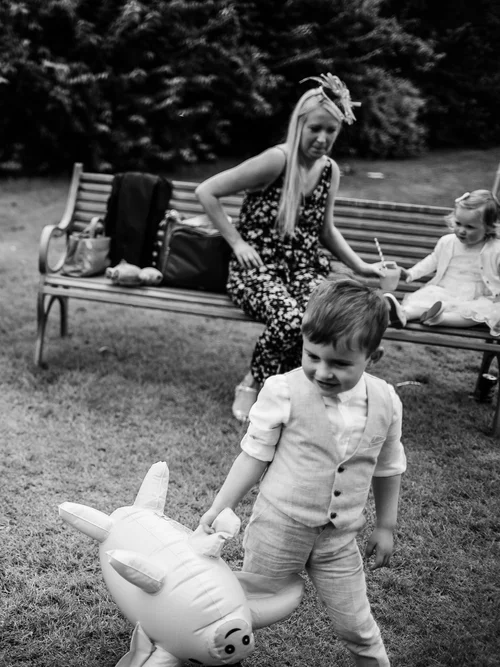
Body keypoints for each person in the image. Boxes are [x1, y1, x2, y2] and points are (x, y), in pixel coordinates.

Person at [199, 279, 405, 667]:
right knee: (241, 611)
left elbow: (389, 466)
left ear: (372, 357)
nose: (322, 371)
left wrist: (386, 526)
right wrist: (219, 506)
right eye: (312, 356)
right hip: (278, 528)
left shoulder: (387, 401)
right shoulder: (282, 390)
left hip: (339, 540)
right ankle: (203, 652)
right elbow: (254, 456)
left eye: (340, 363)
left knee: (357, 625)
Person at [195, 74, 384, 422]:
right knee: (289, 319)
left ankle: (296, 391)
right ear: (299, 125)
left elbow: (325, 230)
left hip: (302, 269)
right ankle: (255, 383)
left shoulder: (330, 171)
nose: (322, 138)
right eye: (315, 128)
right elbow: (207, 191)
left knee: (323, 317)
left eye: (331, 131)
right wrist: (236, 242)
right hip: (257, 271)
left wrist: (361, 267)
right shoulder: (276, 161)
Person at [384, 190, 500, 331]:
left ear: (488, 227)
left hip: (478, 297)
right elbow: (432, 260)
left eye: (469, 227)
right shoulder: (447, 242)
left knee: (474, 314)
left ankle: (440, 319)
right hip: (446, 290)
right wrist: (410, 273)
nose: (461, 230)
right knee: (424, 301)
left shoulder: (495, 250)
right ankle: (403, 314)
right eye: (458, 223)